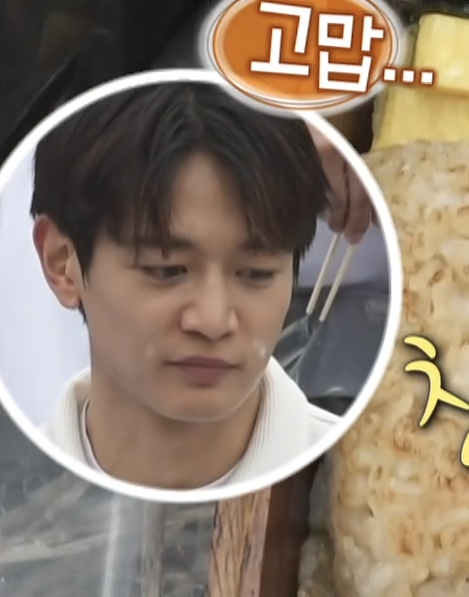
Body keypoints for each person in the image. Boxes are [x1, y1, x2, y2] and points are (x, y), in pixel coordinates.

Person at [27, 81, 371, 492]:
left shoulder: (366, 490)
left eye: (256, 273)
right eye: (167, 270)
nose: (213, 321)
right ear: (62, 264)